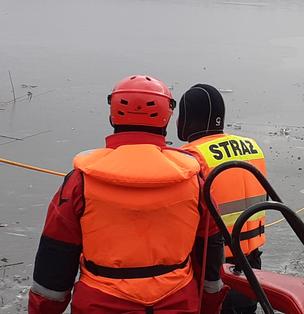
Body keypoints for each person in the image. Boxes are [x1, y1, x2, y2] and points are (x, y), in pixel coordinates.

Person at [28, 75, 225, 314]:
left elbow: (54, 264)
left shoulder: (80, 182)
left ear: (113, 115)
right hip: (178, 302)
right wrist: (208, 304)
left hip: (100, 304)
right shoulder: (195, 179)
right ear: (167, 117)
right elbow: (210, 257)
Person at [178, 84, 268, 314]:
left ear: (188, 119)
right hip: (252, 266)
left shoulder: (190, 158)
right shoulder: (252, 148)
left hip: (213, 268)